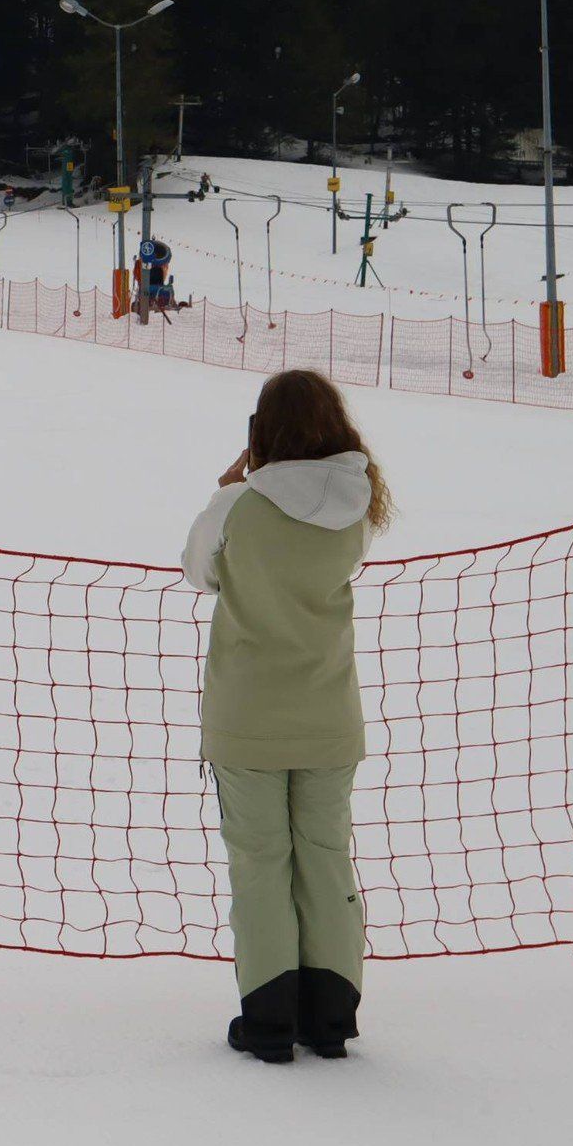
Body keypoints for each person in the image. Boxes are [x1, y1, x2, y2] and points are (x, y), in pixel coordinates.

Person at [180, 369, 394, 1064]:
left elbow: (199, 573)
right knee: (326, 861)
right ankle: (329, 1019)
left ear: (262, 430)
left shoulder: (238, 505)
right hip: (329, 714)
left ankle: (270, 1022)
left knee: (261, 865)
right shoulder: (358, 506)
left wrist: (224, 494)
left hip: (248, 717)